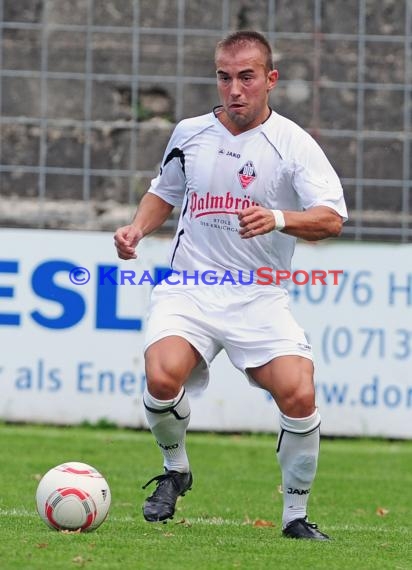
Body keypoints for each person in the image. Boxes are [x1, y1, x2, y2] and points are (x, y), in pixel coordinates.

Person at [114, 30, 347, 540]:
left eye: (246, 77)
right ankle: (176, 470)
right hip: (190, 289)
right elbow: (164, 192)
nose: (235, 89)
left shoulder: (292, 143)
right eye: (225, 77)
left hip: (258, 294)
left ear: (270, 79)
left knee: (299, 393)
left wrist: (280, 219)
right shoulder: (191, 132)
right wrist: (137, 228)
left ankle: (294, 518)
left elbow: (331, 220)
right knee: (161, 377)